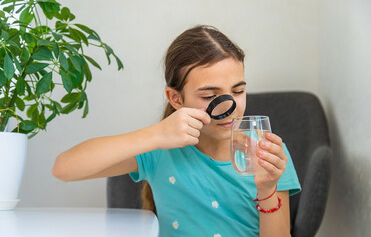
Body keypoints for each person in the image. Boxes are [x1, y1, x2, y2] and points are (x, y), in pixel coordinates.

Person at [52, 25, 301, 237]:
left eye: (238, 91)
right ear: (176, 99)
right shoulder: (160, 149)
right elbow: (64, 168)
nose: (230, 107)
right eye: (210, 95)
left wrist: (267, 190)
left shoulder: (265, 151)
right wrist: (156, 135)